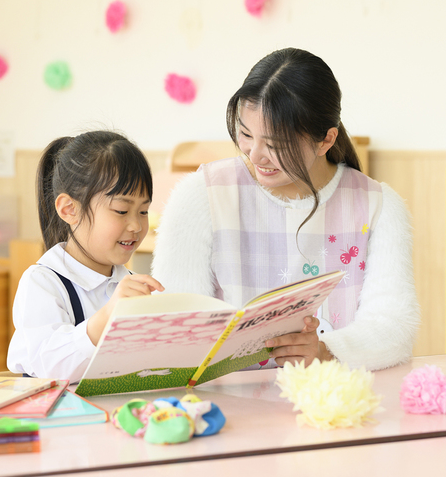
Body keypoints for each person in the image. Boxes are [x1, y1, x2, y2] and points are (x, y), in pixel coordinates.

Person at [152, 48, 419, 371]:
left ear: (325, 140)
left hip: (333, 403)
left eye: (276, 145)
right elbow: (175, 325)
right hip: (223, 407)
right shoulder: (201, 196)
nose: (255, 155)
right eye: (246, 135)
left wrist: (325, 349)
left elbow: (393, 328)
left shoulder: (378, 205)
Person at [7, 130, 164, 380]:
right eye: (122, 211)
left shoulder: (131, 285)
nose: (136, 225)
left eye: (143, 212)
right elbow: (47, 363)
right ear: (70, 210)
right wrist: (107, 316)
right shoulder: (42, 283)